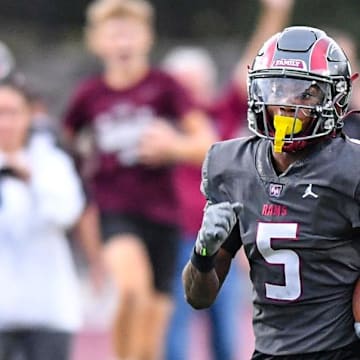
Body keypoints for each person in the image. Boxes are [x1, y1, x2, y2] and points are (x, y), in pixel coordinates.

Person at [182, 26, 360, 359]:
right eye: (276, 88)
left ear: (335, 98)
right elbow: (198, 298)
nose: (286, 103)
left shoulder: (352, 168)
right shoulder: (230, 164)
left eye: (304, 94)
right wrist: (202, 255)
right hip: (269, 352)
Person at [63, 0, 216, 359]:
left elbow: (207, 140)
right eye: (114, 35)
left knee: (150, 344)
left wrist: (174, 145)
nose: (122, 43)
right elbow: (64, 148)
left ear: (147, 38)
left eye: (130, 33)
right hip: (115, 211)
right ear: (97, 41)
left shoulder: (165, 88)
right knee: (131, 289)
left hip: (163, 217)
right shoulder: (89, 95)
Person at [163, 1, 294, 358]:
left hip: (223, 235)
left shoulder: (218, 112)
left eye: (195, 84)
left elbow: (250, 69)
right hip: (173, 234)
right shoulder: (159, 126)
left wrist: (275, 14)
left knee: (225, 325)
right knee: (174, 326)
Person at [0, 77, 85, 360]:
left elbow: (65, 213)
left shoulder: (51, 162)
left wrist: (30, 179)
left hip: (48, 308)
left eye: (12, 112)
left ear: (29, 116)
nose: (5, 123)